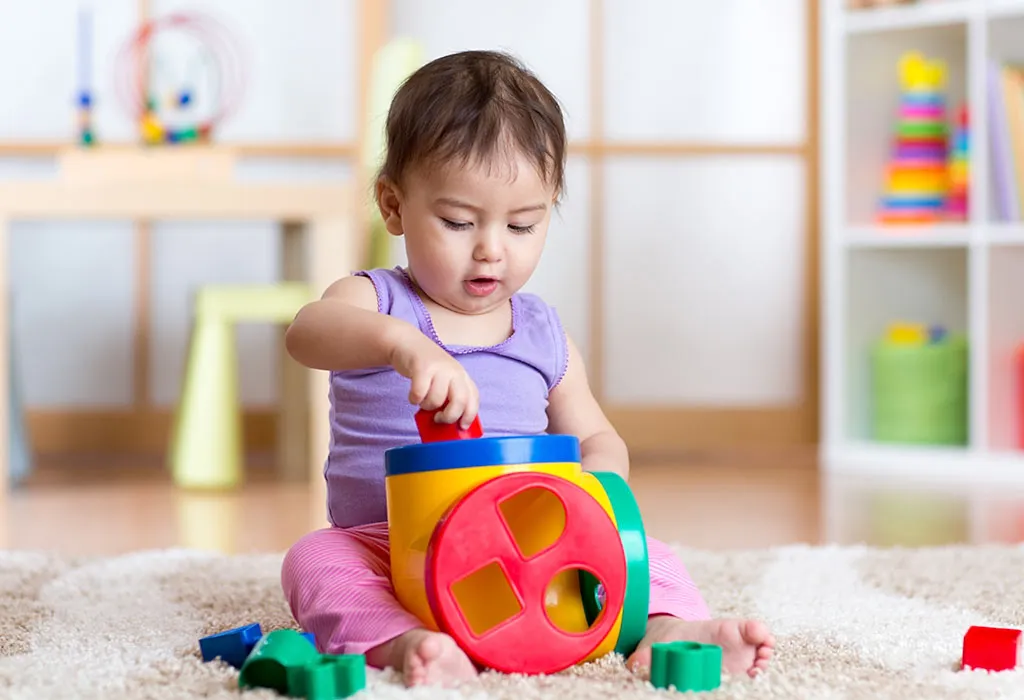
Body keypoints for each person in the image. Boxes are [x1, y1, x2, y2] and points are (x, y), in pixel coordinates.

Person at [280, 49, 774, 688]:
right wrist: (402, 346)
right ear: (393, 206)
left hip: (527, 549)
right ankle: (407, 643)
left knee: (649, 556)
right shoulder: (375, 301)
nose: (490, 248)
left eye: (521, 224)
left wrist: (594, 492)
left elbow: (596, 435)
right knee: (314, 560)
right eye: (458, 221)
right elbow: (306, 335)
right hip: (390, 544)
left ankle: (665, 629)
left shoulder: (542, 334)